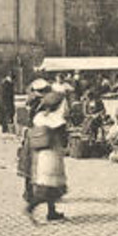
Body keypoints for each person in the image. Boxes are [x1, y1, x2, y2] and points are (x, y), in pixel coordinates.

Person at [26, 90, 69, 221]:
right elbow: (64, 141)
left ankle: (51, 212)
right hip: (53, 155)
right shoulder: (58, 121)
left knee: (48, 184)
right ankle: (31, 207)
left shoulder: (39, 117)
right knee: (51, 186)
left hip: (41, 155)